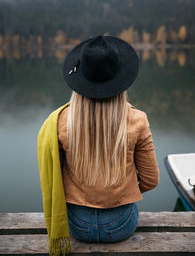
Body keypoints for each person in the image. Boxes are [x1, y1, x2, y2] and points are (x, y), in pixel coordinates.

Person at [37, 35, 159, 256]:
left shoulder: (59, 122)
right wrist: (121, 194)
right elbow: (151, 181)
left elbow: (55, 178)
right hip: (121, 224)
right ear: (121, 80)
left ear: (79, 80)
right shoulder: (137, 120)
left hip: (76, 225)